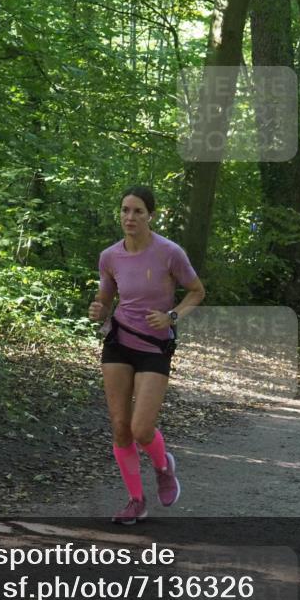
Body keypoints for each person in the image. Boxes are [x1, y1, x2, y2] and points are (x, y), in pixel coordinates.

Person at [88, 186, 205, 525]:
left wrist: (172, 317)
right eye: (125, 210)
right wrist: (99, 308)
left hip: (155, 346)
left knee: (141, 428)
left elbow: (197, 292)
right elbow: (105, 297)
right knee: (121, 427)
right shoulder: (110, 256)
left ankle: (163, 467)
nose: (130, 217)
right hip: (119, 341)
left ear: (150, 215)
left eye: (138, 211)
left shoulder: (169, 253)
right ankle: (136, 500)